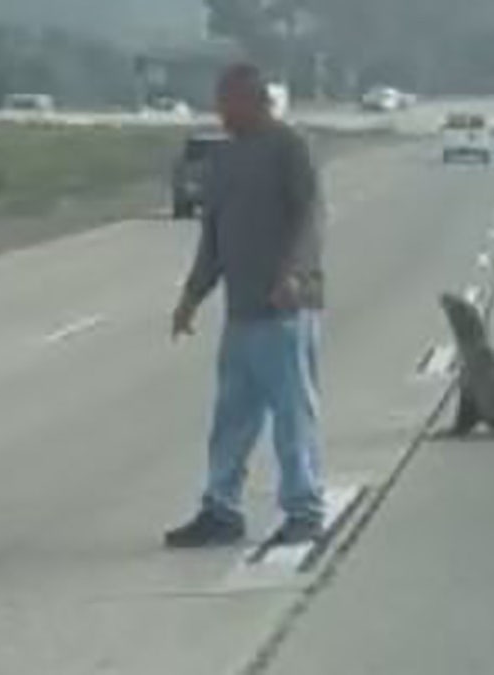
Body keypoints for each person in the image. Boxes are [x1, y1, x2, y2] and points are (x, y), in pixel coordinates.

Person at [165, 63, 327, 548]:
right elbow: (213, 237)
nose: (221, 111)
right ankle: (221, 510)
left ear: (256, 100)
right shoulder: (226, 158)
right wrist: (191, 296)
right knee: (231, 420)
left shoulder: (289, 147)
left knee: (292, 415)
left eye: (228, 100)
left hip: (286, 311)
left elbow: (312, 216)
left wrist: (294, 273)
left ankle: (305, 510)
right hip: (242, 312)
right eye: (219, 101)